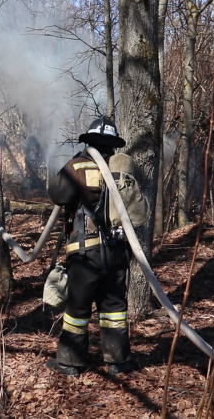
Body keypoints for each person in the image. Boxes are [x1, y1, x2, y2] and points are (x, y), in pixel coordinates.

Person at [46, 116, 135, 376]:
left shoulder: (77, 167)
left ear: (90, 139)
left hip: (86, 253)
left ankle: (70, 363)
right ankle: (119, 361)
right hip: (118, 251)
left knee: (78, 309)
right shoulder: (123, 173)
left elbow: (58, 195)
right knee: (114, 308)